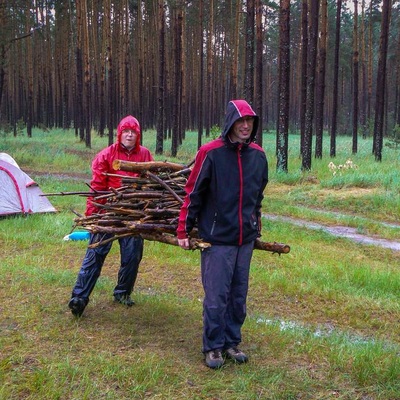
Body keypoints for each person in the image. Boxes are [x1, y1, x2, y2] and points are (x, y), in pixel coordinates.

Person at [177, 100, 268, 369]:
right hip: (217, 239)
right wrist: (183, 228)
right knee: (217, 296)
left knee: (238, 295)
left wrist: (255, 221)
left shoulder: (259, 156)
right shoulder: (211, 153)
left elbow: (258, 194)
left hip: (245, 240)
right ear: (230, 122)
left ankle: (231, 342)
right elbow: (193, 192)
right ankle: (213, 347)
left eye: (250, 121)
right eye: (241, 121)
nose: (245, 126)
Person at [68, 115, 154, 317]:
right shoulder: (107, 155)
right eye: (126, 131)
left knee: (132, 255)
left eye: (133, 132)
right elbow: (97, 187)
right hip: (107, 212)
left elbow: (152, 183)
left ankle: (123, 293)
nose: (130, 135)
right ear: (119, 133)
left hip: (134, 213)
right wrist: (93, 215)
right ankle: (79, 297)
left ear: (138, 135)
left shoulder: (145, 155)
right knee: (95, 254)